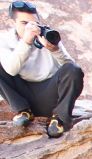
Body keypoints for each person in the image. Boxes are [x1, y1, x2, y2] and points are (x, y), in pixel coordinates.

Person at [0, 1, 83, 138]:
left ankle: (59, 119)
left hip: (50, 94)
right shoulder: (4, 40)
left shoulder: (47, 34)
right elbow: (11, 70)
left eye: (34, 23)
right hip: (23, 95)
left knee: (73, 69)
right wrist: (26, 42)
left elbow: (72, 70)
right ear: (13, 22)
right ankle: (23, 112)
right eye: (24, 23)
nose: (30, 27)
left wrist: (55, 50)